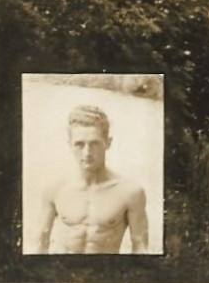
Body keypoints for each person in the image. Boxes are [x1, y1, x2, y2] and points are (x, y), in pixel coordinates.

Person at [35, 104, 149, 254]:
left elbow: (140, 248)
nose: (87, 152)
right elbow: (41, 245)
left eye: (94, 144)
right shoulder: (54, 189)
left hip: (105, 273)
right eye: (79, 144)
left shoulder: (130, 192)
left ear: (108, 143)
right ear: (70, 145)